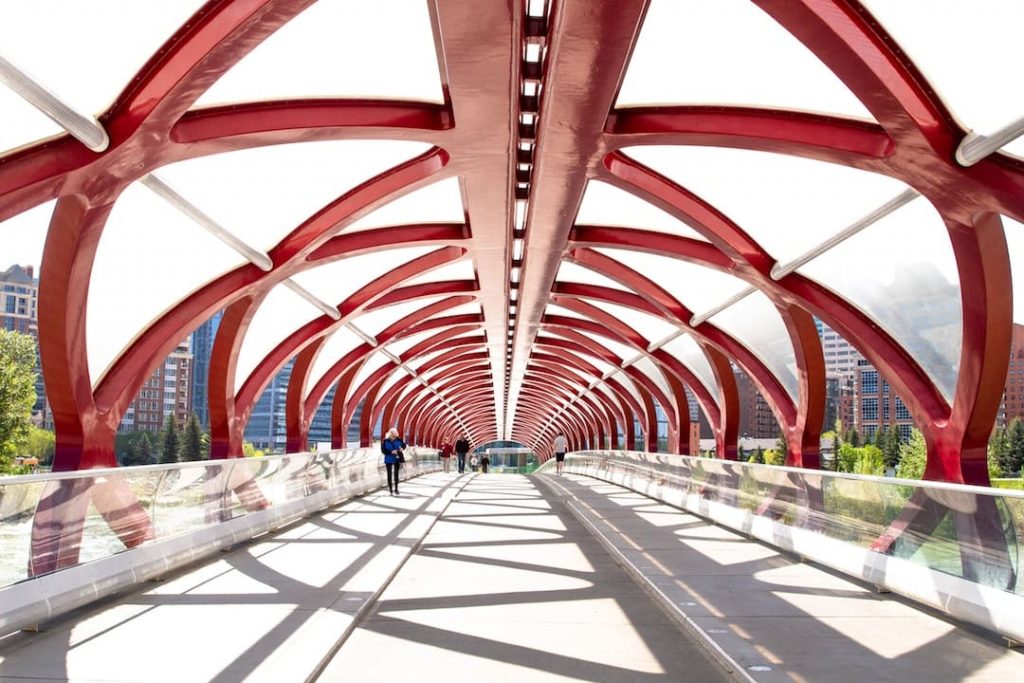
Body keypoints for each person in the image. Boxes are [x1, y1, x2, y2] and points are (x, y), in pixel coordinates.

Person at [382, 428, 405, 495]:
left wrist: (402, 448)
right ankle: (390, 489)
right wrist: (391, 451)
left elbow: (404, 445)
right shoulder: (385, 441)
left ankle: (396, 489)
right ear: (390, 433)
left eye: (396, 433)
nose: (395, 434)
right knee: (389, 475)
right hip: (388, 459)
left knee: (396, 474)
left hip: (396, 458)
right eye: (394, 433)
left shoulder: (399, 440)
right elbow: (383, 450)